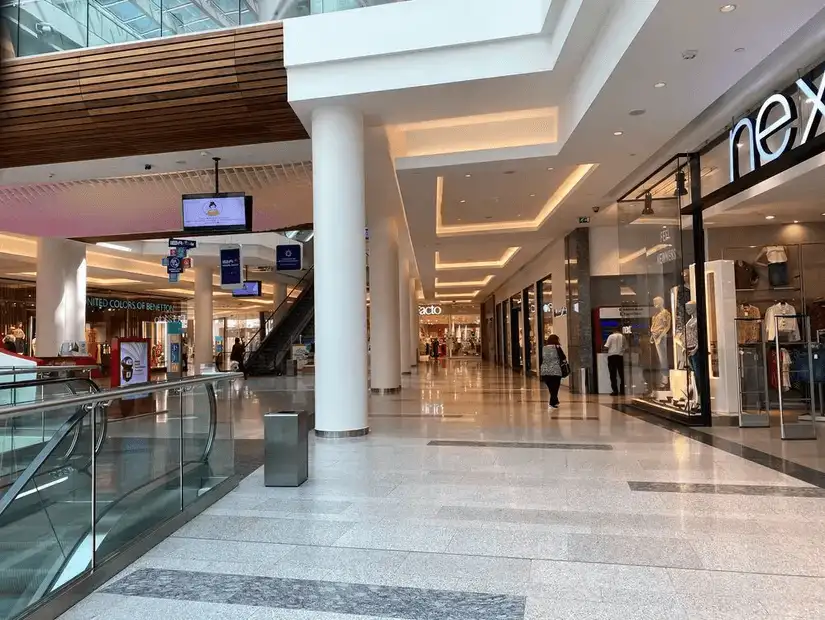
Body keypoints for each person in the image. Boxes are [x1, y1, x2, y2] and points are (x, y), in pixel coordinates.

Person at [540, 334, 566, 409]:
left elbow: (542, 358)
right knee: (555, 387)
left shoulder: (544, 348)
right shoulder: (557, 347)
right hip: (555, 371)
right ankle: (552, 402)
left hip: (545, 371)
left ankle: (554, 401)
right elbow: (563, 357)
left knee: (551, 387)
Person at [603, 328, 626, 396]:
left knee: (613, 375)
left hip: (612, 357)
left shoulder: (611, 336)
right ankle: (622, 391)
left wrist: (605, 349)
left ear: (613, 331)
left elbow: (606, 346)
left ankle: (615, 391)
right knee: (621, 374)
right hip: (620, 357)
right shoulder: (623, 337)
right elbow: (626, 347)